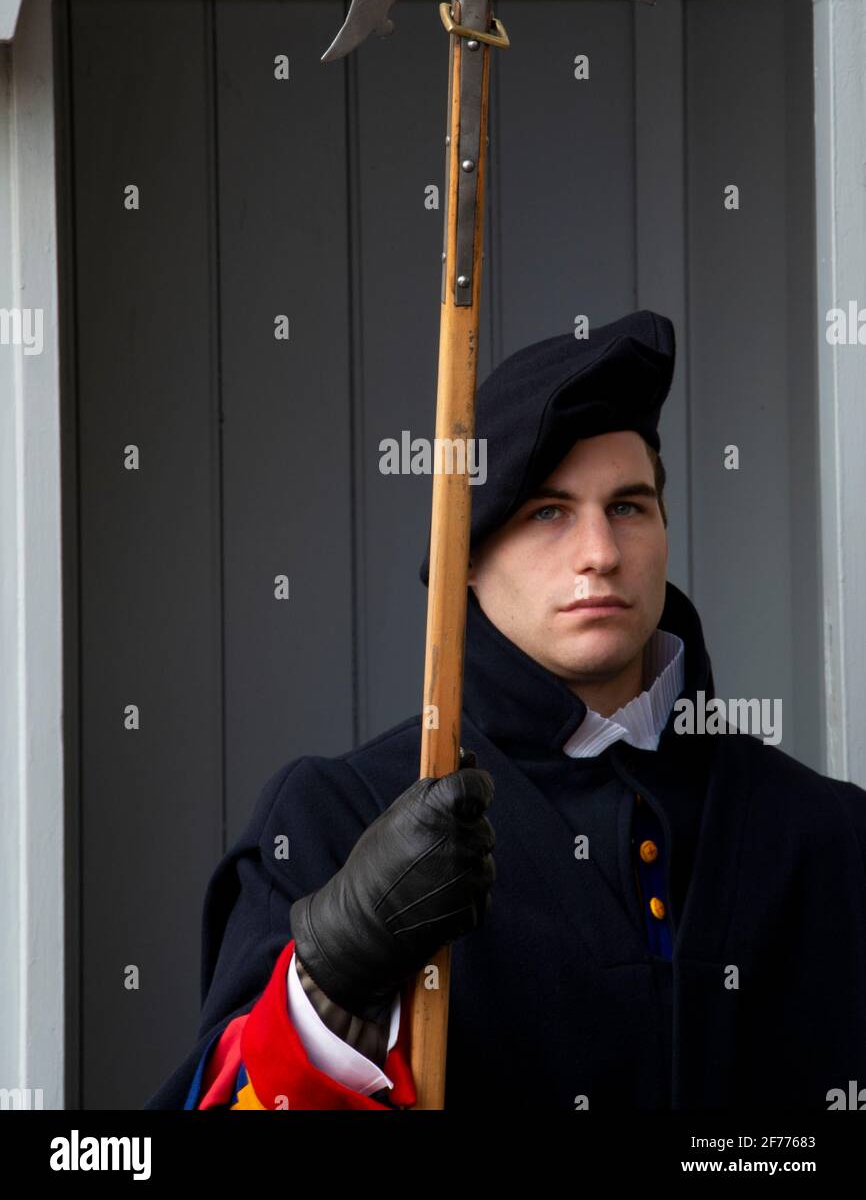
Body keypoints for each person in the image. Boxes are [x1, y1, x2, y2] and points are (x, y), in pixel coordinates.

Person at [144, 309, 866, 1111]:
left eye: (628, 506)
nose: (600, 550)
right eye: (547, 512)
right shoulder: (330, 820)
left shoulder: (831, 835)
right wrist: (330, 988)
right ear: (471, 559)